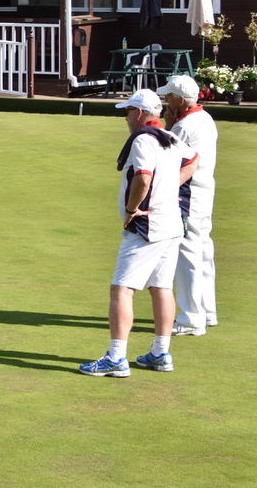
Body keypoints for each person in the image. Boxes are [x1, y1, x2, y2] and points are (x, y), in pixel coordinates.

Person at [80, 89, 198, 378]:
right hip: (170, 225)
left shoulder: (144, 139)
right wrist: (168, 191)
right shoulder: (171, 138)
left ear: (140, 114)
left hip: (147, 227)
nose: (126, 117)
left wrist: (133, 209)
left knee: (121, 289)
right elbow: (193, 160)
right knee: (161, 287)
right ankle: (160, 352)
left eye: (128, 111)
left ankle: (116, 358)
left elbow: (143, 178)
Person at [158, 74, 219, 336]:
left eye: (168, 96)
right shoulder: (204, 118)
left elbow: (169, 158)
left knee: (188, 255)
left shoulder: (184, 126)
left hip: (187, 195)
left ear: (181, 100)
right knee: (203, 252)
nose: (165, 101)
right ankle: (207, 312)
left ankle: (191, 318)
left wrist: (169, 128)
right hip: (203, 193)